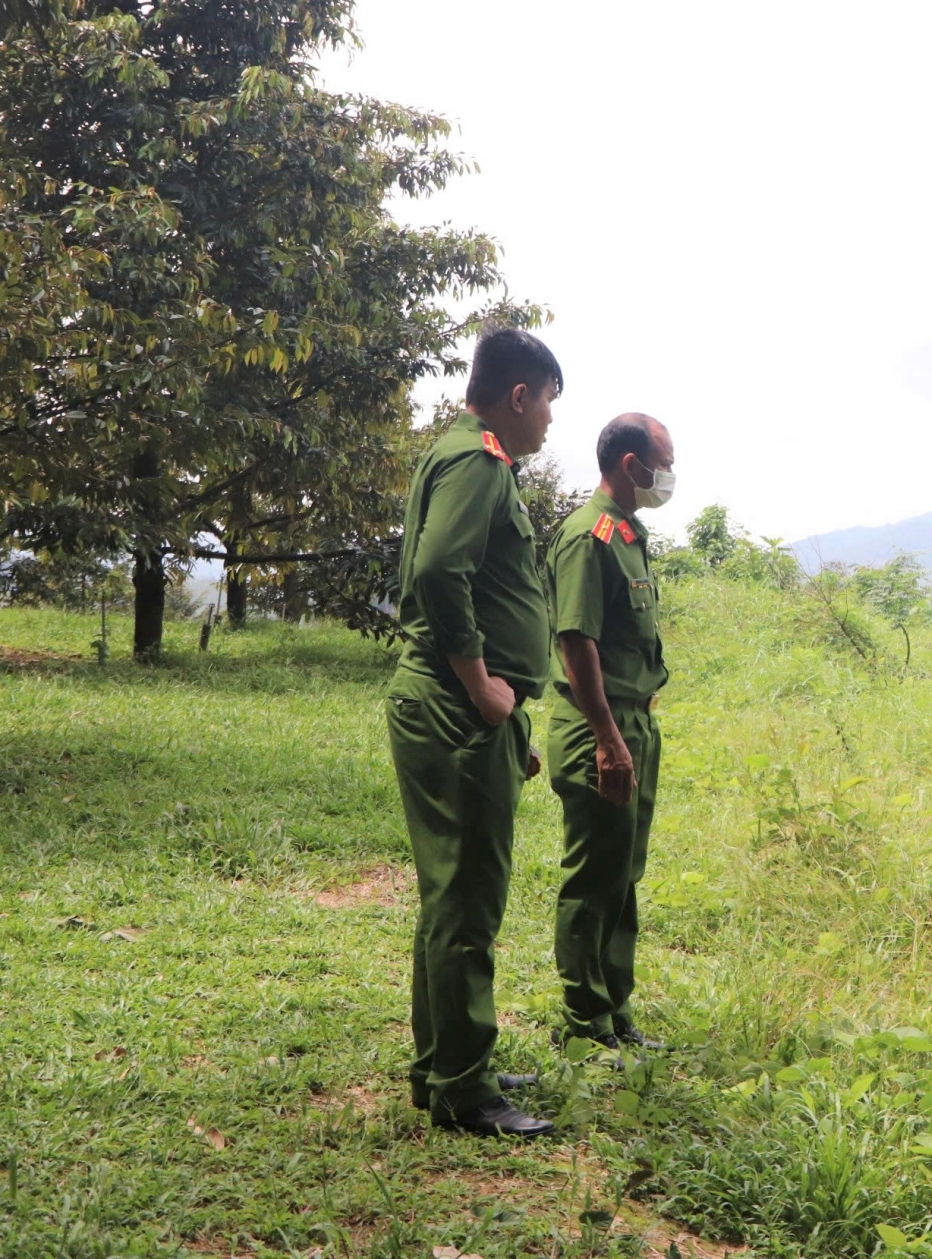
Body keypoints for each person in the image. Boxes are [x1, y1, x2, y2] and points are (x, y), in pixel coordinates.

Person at [385, 327, 561, 1138]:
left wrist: (509, 718)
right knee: (468, 899)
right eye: (549, 403)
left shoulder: (457, 454)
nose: (551, 422)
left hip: (463, 712)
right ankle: (463, 1086)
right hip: (457, 706)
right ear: (518, 397)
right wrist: (484, 686)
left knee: (448, 892)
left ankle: (446, 1061)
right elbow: (434, 572)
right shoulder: (481, 461)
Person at [545, 414, 675, 1054]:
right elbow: (577, 642)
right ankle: (584, 1016)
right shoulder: (589, 537)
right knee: (593, 870)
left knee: (623, 871)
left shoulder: (629, 533)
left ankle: (615, 1006)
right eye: (664, 462)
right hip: (598, 727)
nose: (669, 477)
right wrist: (606, 738)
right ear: (631, 464)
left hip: (633, 722)